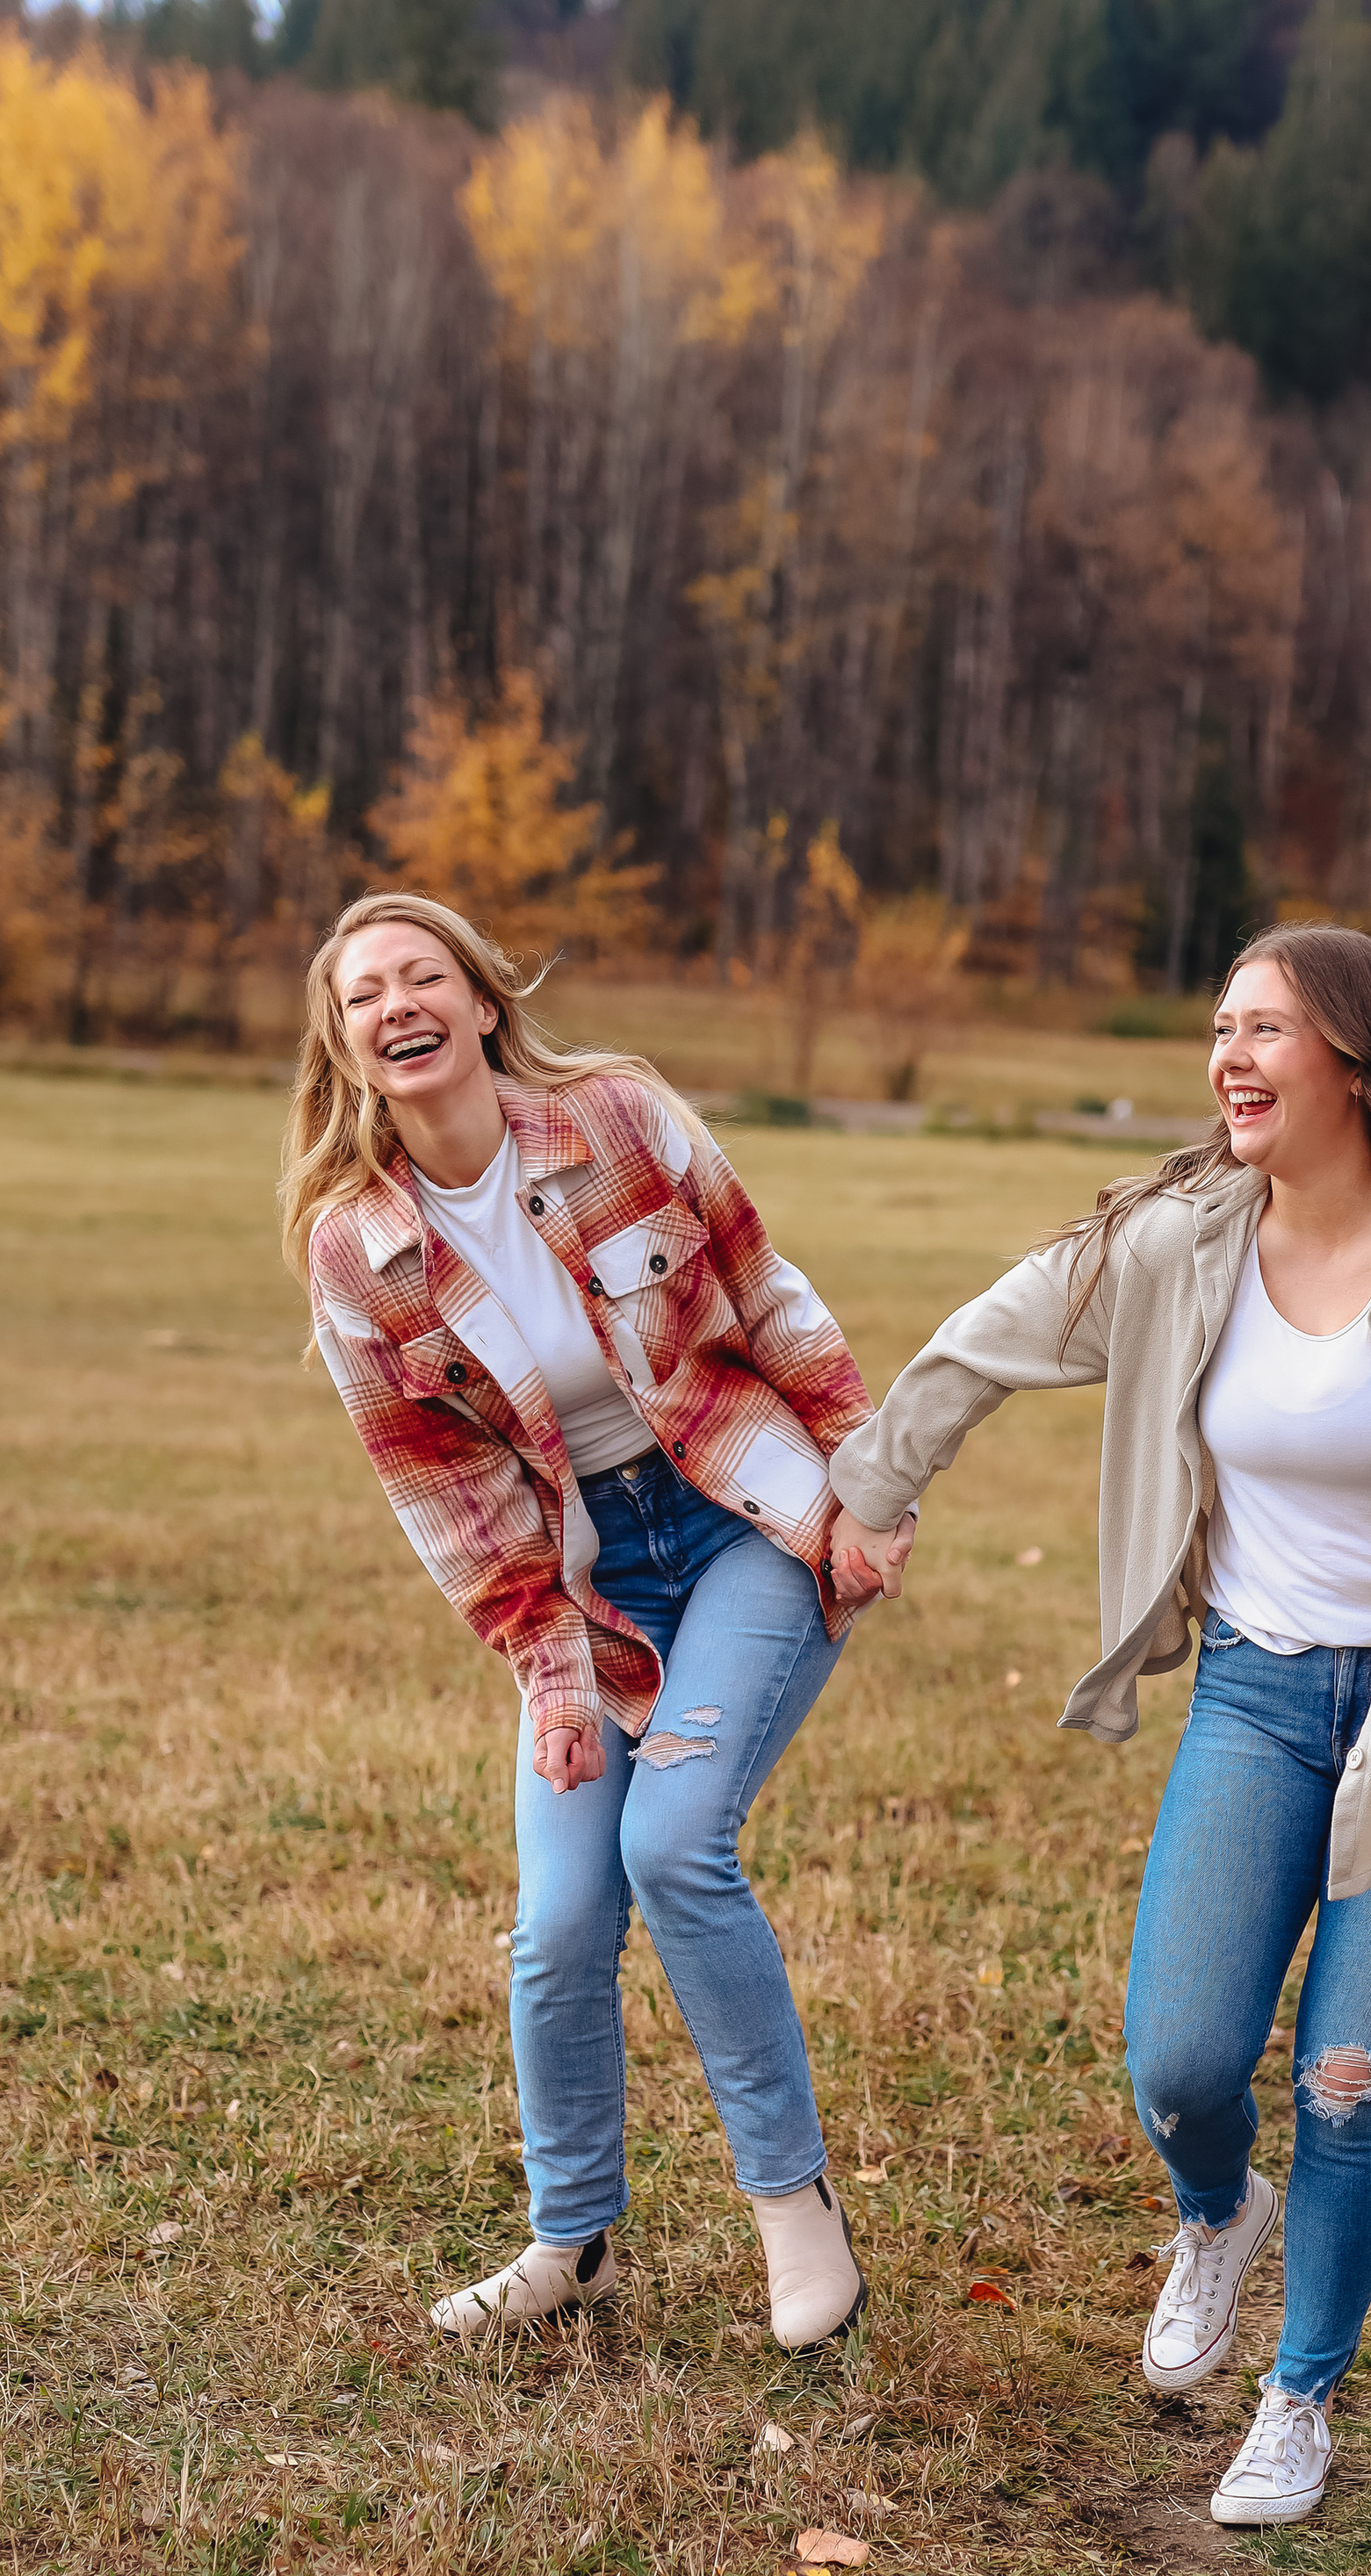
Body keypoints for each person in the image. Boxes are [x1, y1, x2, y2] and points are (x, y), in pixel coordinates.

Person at [827, 925, 1371, 2528]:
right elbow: (991, 1333)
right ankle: (1214, 2211)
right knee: (1184, 2063)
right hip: (1258, 1695)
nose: (1229, 1058)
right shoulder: (1181, 1242)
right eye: (1220, 1026)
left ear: (1355, 1059)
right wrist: (869, 1484)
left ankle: (1299, 2398)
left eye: (1266, 1030)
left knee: (1345, 2077)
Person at [280, 890, 870, 2350]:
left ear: (481, 1005)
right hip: (584, 1579)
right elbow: (450, 1504)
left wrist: (867, 1479)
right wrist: (554, 1673)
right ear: (345, 1045)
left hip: (740, 1514)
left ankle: (798, 2219)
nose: (396, 1006)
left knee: (676, 1844)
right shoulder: (357, 1254)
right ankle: (572, 2243)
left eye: (423, 977)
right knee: (557, 1924)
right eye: (364, 996)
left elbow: (762, 1284)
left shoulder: (612, 1118)